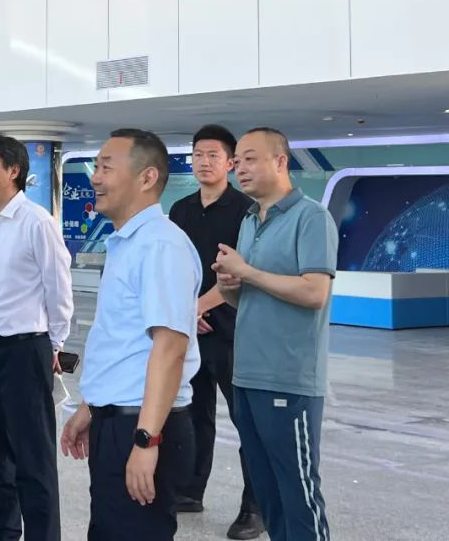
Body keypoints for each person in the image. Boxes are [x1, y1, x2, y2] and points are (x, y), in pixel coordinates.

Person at [60, 129, 201, 541]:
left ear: (146, 177)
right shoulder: (128, 242)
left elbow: (170, 349)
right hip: (118, 419)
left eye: (106, 167)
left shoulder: (160, 246)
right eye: (96, 167)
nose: (95, 177)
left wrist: (146, 439)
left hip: (143, 425)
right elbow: (123, 341)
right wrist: (93, 405)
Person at [214, 127, 337, 541]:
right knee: (269, 496)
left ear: (281, 162)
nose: (240, 168)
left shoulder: (312, 217)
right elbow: (248, 299)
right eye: (237, 161)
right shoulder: (251, 220)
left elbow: (315, 292)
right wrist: (231, 287)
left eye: (251, 158)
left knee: (298, 495)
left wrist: (247, 272)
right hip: (246, 375)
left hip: (288, 378)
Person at [0, 134, 74, 541]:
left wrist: (55, 345)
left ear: (13, 170)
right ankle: (1, 534)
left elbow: (58, 288)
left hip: (25, 352)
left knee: (33, 462)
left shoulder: (37, 222)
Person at [169, 125, 263, 539]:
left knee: (247, 421)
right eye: (197, 155)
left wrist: (201, 307)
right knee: (193, 414)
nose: (204, 162)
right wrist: (187, 314)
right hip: (191, 332)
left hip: (233, 330)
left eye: (213, 155)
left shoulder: (246, 211)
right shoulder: (181, 210)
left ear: (230, 163)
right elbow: (174, 269)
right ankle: (190, 490)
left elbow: (241, 272)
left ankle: (255, 507)